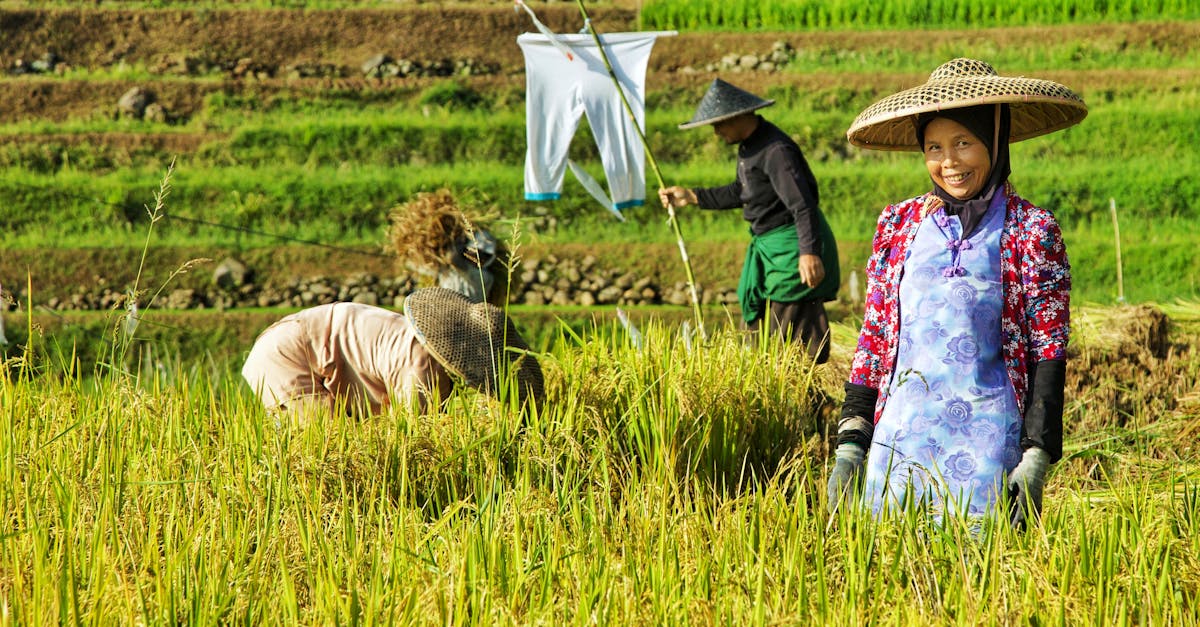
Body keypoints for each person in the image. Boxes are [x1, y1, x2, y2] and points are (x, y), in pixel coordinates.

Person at [826, 58, 1087, 529]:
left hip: (988, 448)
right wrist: (851, 440)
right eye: (934, 147)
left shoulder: (1031, 230)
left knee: (982, 582)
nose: (949, 162)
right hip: (899, 444)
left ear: (994, 140)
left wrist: (1037, 455)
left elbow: (1048, 350)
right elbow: (875, 337)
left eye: (964, 142)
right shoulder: (898, 225)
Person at [658, 79, 839, 363]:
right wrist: (692, 196)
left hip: (791, 252)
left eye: (719, 124)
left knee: (789, 333)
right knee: (759, 333)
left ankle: (807, 400)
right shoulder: (749, 148)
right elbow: (743, 191)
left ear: (738, 116)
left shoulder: (776, 150)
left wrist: (809, 253)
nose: (716, 132)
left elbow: (802, 204)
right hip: (771, 250)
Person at [241, 287, 544, 421]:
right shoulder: (421, 367)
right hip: (287, 354)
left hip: (299, 336)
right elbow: (408, 436)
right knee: (324, 443)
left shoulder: (422, 348)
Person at [388, 188, 511, 306]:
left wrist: (455, 242)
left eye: (481, 254)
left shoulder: (482, 277)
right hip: (447, 317)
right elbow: (420, 265)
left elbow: (453, 258)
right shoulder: (445, 269)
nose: (476, 255)